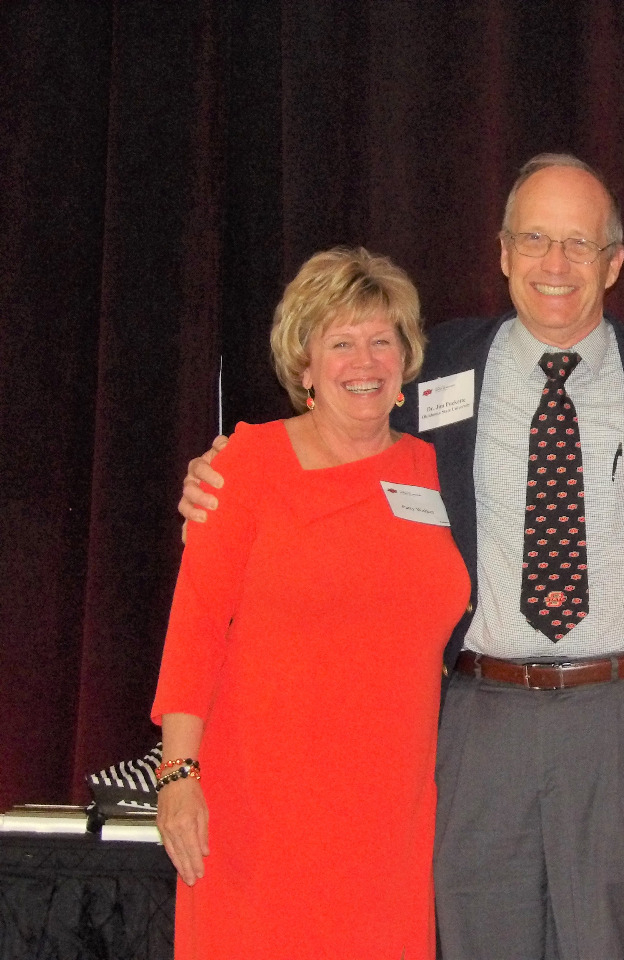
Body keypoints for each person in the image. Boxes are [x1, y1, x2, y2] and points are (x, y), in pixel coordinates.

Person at [179, 156, 624, 960]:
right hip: (480, 717)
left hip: (617, 714)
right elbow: (341, 429)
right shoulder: (439, 362)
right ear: (502, 252)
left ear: (614, 263)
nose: (555, 265)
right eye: (535, 239)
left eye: (579, 245)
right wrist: (219, 473)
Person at [155, 247, 470, 960]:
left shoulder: (430, 467)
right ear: (305, 366)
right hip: (260, 814)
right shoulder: (246, 464)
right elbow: (196, 626)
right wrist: (178, 775)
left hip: (393, 817)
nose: (364, 360)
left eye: (381, 340)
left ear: (405, 360)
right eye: (341, 342)